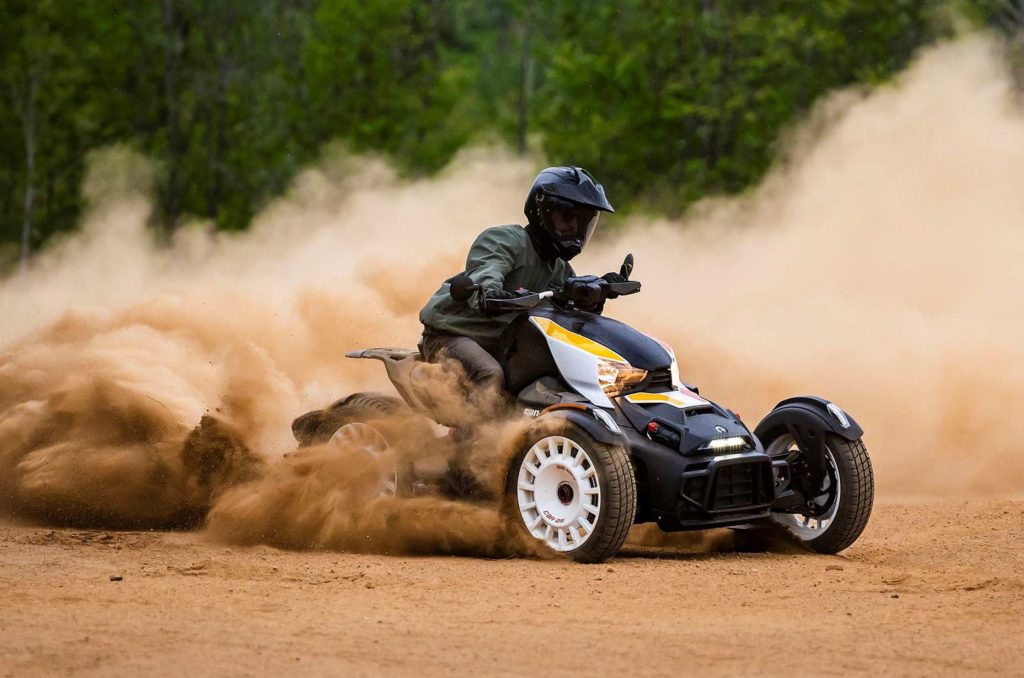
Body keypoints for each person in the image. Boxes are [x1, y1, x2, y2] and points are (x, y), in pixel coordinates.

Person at [418, 166, 624, 396]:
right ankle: (472, 433)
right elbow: (487, 272)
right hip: (452, 334)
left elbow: (569, 316)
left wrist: (595, 295)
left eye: (584, 222)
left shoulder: (559, 268)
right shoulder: (504, 240)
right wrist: (491, 294)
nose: (575, 229)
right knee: (490, 375)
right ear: (541, 210)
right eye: (567, 217)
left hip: (503, 344)